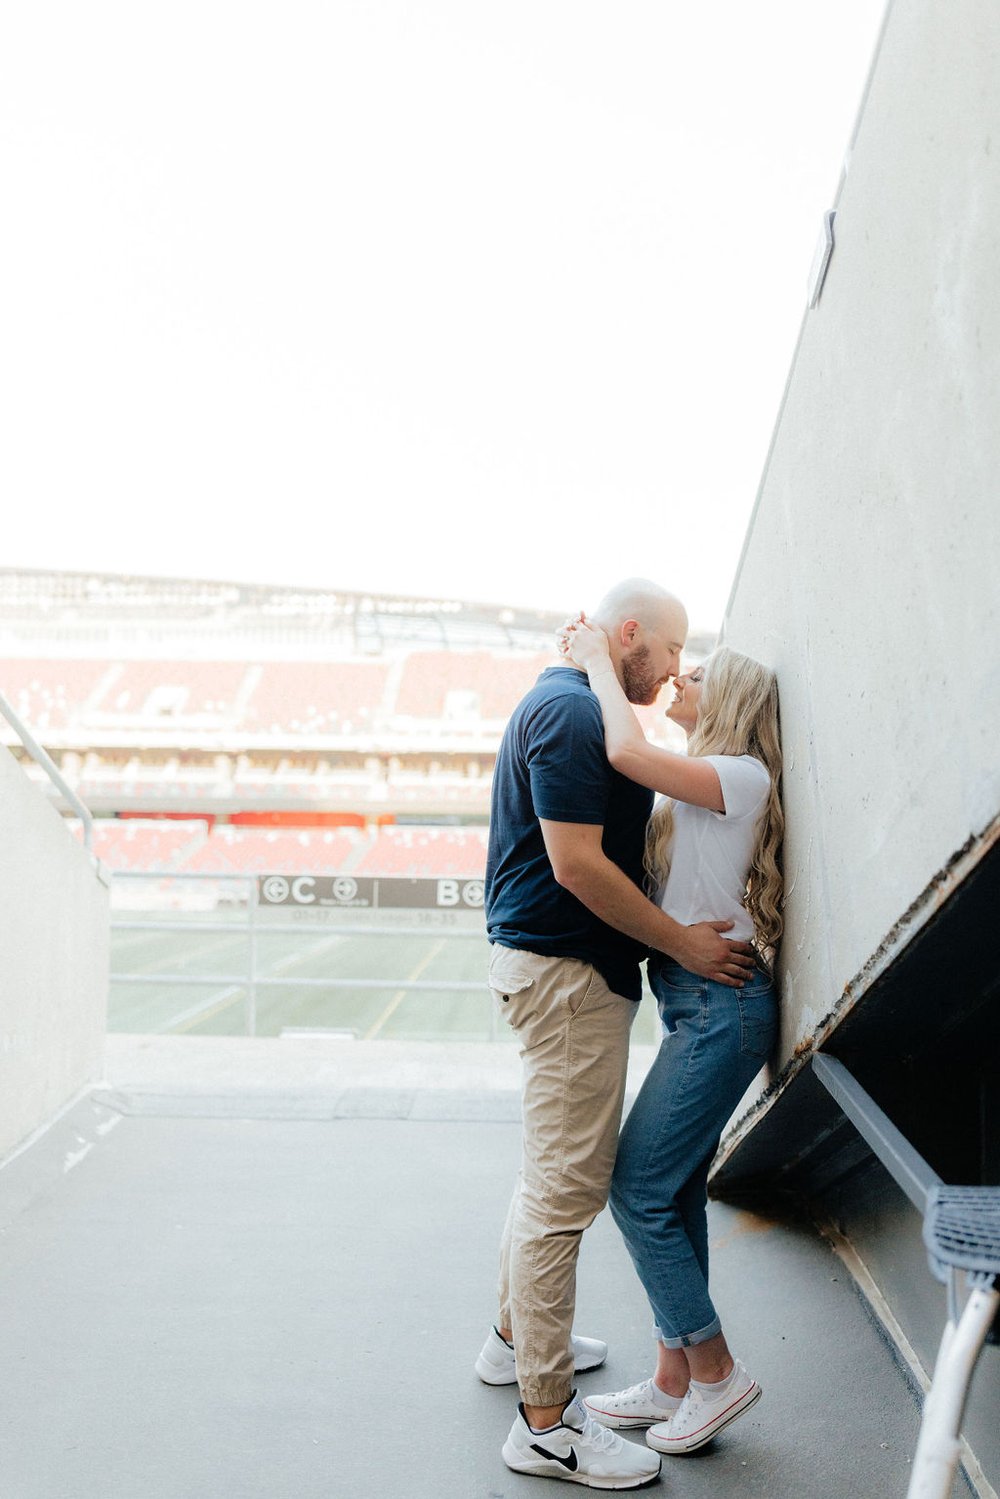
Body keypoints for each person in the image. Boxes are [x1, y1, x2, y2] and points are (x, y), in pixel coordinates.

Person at [477, 578, 756, 1490]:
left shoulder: (581, 704)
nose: (676, 667)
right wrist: (677, 943)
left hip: (567, 978)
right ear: (629, 633)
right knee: (568, 1195)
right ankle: (546, 1424)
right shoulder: (568, 713)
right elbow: (574, 863)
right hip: (567, 984)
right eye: (672, 650)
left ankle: (515, 1340)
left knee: (552, 1179)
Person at [559, 615, 783, 1461]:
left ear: (728, 701)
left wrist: (593, 663)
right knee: (674, 1187)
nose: (680, 679)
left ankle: (717, 1372)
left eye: (698, 674)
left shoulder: (741, 773)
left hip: (721, 1006)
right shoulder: (705, 778)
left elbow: (623, 750)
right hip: (694, 1003)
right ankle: (672, 1377)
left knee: (637, 1185)